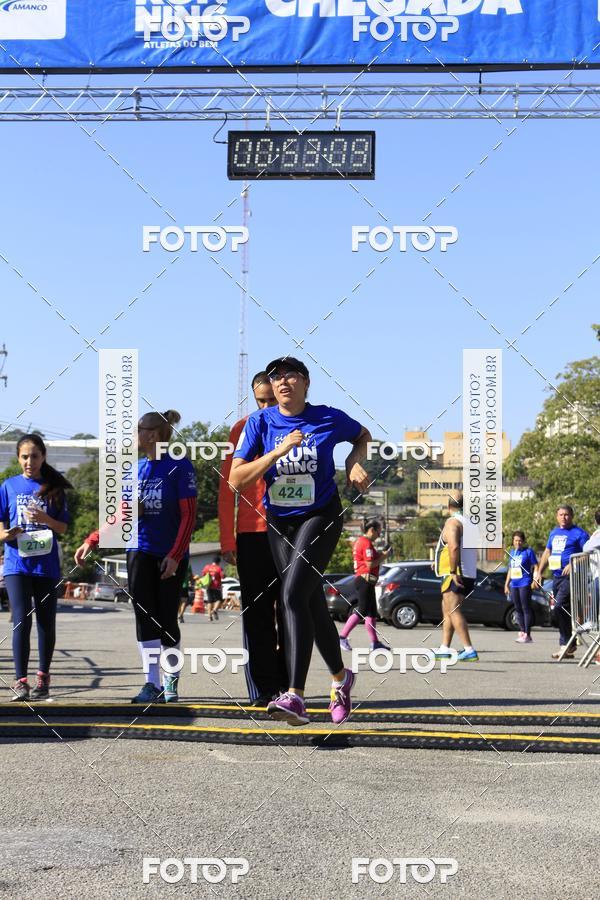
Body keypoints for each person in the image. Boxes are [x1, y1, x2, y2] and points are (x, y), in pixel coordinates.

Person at [230, 356, 371, 726]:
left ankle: (294, 695)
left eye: (290, 375)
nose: (282, 382)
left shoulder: (328, 417)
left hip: (320, 515)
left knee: (291, 595)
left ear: (306, 383)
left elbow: (362, 435)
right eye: (276, 377)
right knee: (309, 602)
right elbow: (236, 479)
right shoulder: (260, 422)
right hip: (279, 520)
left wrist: (354, 461)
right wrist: (276, 452)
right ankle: (341, 678)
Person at [74, 410, 197, 703]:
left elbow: (189, 515)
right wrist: (93, 539)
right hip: (139, 549)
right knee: (144, 617)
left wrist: (175, 555)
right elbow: (122, 514)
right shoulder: (134, 469)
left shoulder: (180, 466)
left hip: (169, 554)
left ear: (152, 434)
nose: (133, 436)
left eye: (138, 430)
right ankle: (151, 684)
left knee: (167, 619)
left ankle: (170, 679)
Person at [219, 371, 287, 705]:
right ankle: (262, 688)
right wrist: (227, 540)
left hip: (290, 532)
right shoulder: (241, 428)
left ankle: (290, 687)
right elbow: (226, 489)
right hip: (252, 534)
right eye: (261, 401)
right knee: (257, 615)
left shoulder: (298, 425)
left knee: (290, 611)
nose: (266, 406)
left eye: (271, 400)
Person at [0, 434, 71, 701]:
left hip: (45, 565)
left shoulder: (54, 488)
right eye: (24, 457)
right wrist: (7, 534)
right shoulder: (8, 486)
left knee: (45, 622)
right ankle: (21, 682)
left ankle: (43, 677)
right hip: (16, 563)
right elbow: (0, 528)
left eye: (35, 456)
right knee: (21, 619)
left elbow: (63, 527)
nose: (29, 461)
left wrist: (44, 518)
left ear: (43, 457)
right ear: (18, 458)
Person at [535, 505, 589, 659]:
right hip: (556, 576)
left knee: (559, 606)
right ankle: (568, 644)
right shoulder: (554, 532)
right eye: (560, 515)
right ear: (556, 516)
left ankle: (566, 644)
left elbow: (589, 553)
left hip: (571, 577)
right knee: (562, 610)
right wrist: (539, 572)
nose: (563, 517)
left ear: (572, 516)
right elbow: (547, 552)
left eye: (566, 514)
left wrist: (573, 563)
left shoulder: (579, 533)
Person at [433, 492, 478, 662]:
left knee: (452, 610)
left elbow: (453, 547)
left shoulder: (453, 522)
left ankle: (469, 649)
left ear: (448, 506)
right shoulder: (469, 523)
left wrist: (452, 571)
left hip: (455, 574)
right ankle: (444, 648)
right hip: (468, 572)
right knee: (448, 611)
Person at [339, 520, 390, 653]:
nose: (379, 535)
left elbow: (371, 560)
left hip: (367, 581)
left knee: (371, 613)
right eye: (379, 532)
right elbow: (369, 564)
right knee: (362, 610)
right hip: (364, 580)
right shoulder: (365, 542)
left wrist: (381, 554)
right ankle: (342, 637)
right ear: (372, 530)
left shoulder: (363, 542)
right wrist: (384, 556)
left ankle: (375, 643)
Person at [503, 530, 538, 643]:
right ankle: (522, 631)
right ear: (513, 541)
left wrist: (535, 579)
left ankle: (528, 634)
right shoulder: (512, 553)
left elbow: (536, 566)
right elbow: (510, 569)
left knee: (525, 607)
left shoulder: (528, 552)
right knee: (517, 608)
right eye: (516, 540)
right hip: (514, 584)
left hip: (525, 582)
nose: (518, 543)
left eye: (520, 541)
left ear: (523, 541)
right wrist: (506, 584)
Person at [201, 555, 224, 622]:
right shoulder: (219, 568)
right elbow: (222, 576)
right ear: (219, 562)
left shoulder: (207, 567)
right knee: (219, 600)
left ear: (213, 561)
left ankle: (209, 616)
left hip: (208, 586)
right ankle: (214, 610)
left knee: (210, 601)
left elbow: (203, 574)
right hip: (216, 587)